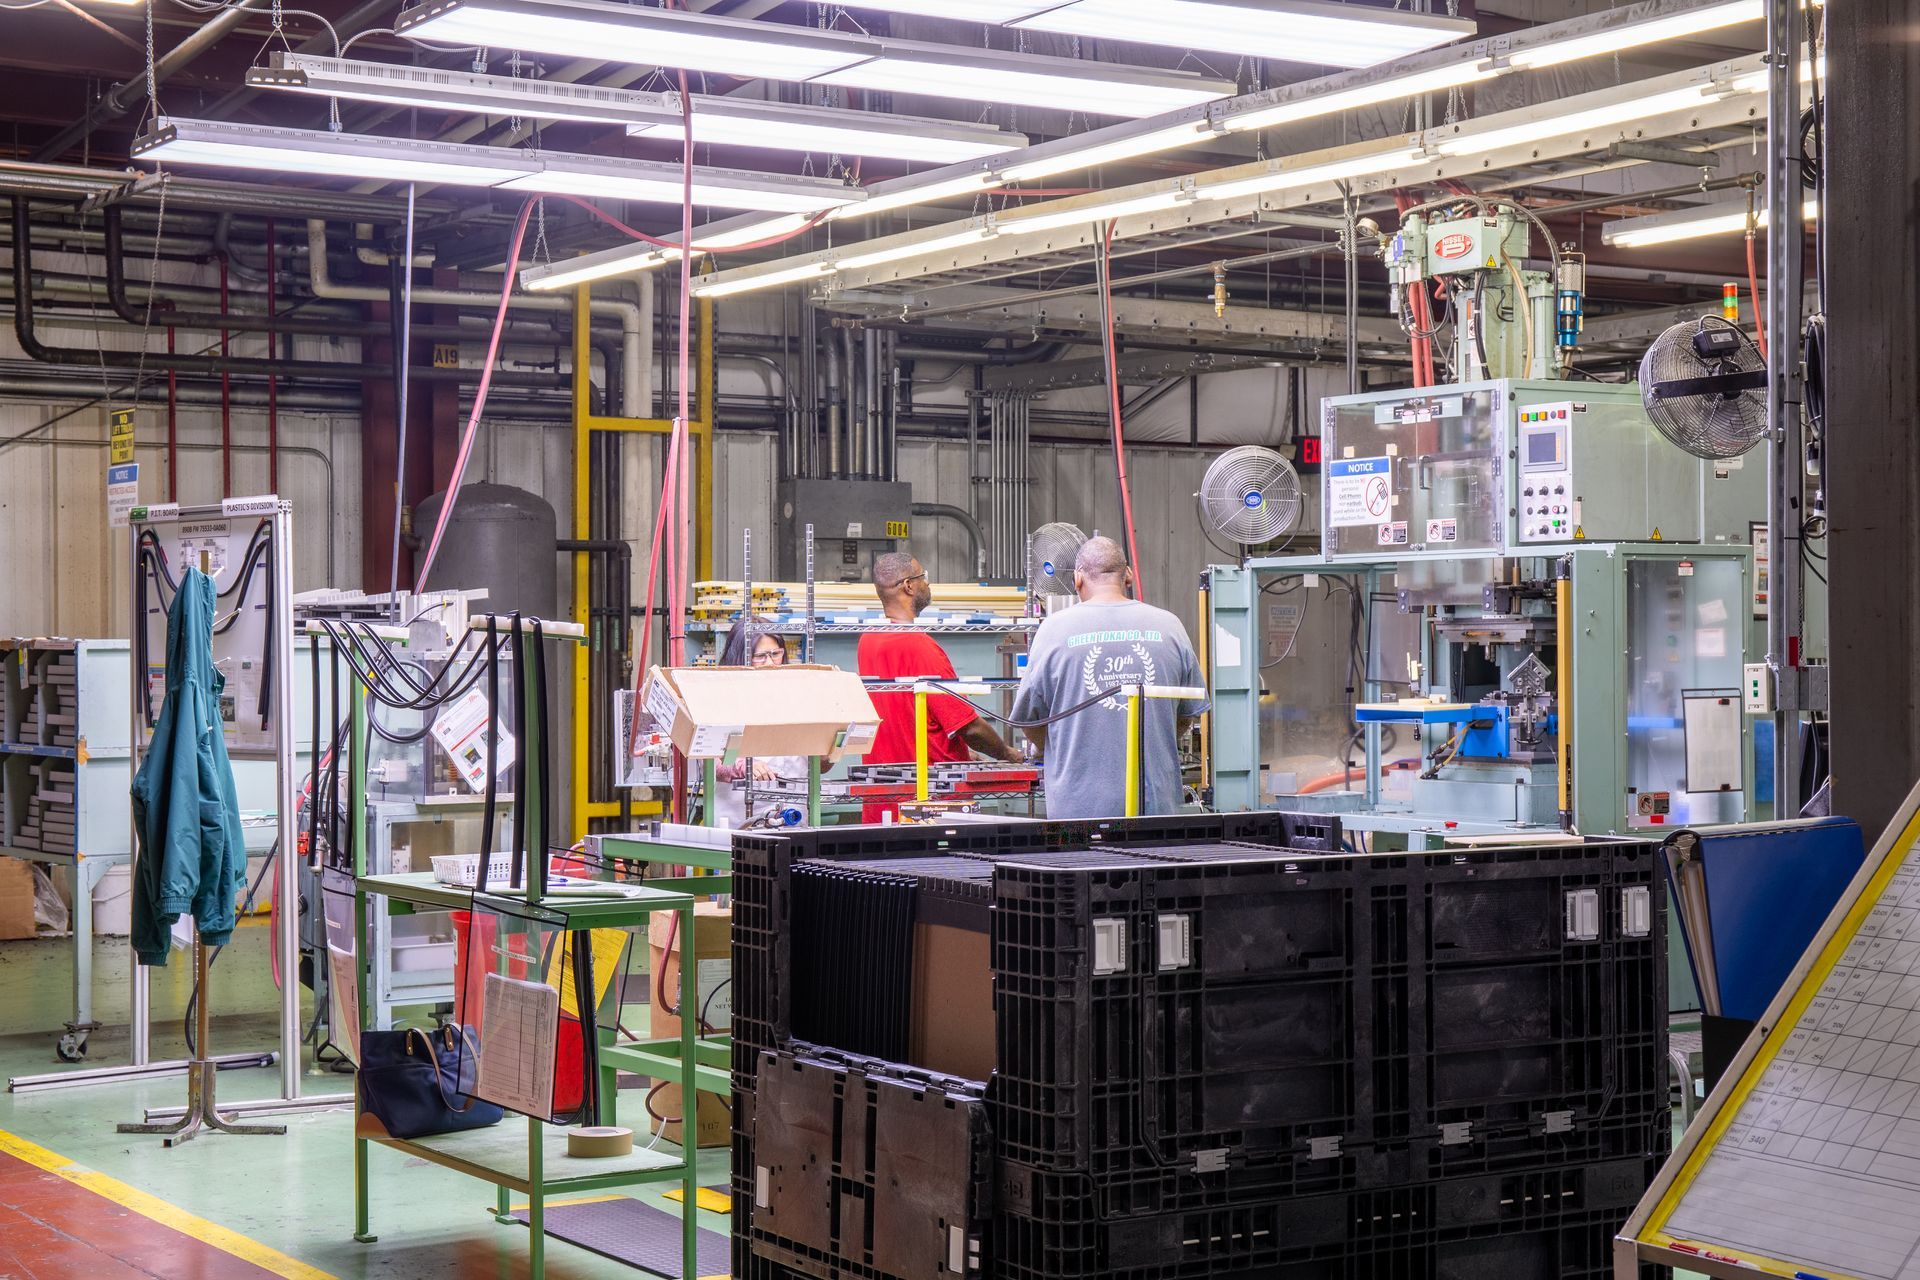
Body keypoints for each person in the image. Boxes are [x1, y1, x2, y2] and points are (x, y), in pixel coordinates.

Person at [1012, 536, 1206, 819]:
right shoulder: (1169, 626)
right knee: (1156, 863)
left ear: (1078, 579)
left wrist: (1061, 747)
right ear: (1127, 576)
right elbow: (1186, 714)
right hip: (1156, 812)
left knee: (1078, 864)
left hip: (1075, 815)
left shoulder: (1053, 630)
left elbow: (1030, 721)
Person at [857, 552, 1018, 822]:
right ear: (908, 585)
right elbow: (970, 727)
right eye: (924, 578)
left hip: (882, 800)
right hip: (931, 804)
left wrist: (966, 754)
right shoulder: (920, 646)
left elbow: (907, 718)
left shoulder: (868, 641)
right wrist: (1007, 754)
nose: (927, 585)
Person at [710, 617, 807, 829]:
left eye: (776, 653)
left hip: (793, 814)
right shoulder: (720, 697)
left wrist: (831, 749)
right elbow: (709, 760)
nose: (771, 663)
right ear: (740, 657)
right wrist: (744, 765)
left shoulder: (798, 694)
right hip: (738, 816)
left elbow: (817, 761)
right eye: (760, 656)